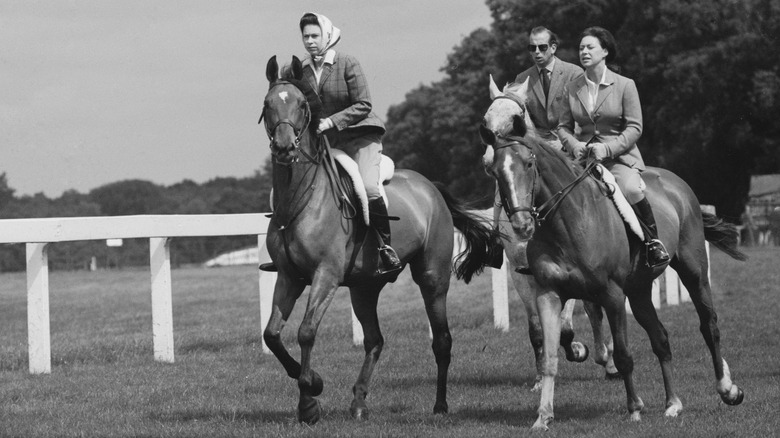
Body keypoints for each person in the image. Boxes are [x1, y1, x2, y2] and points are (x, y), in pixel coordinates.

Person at [262, 12, 401, 275]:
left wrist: (332, 121)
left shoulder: (347, 62)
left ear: (326, 35)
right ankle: (285, 253)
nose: (310, 41)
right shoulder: (299, 69)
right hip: (328, 142)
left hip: (361, 136)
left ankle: (385, 247)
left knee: (369, 187)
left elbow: (364, 104)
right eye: (306, 37)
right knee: (286, 188)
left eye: (315, 36)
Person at [556, 26, 670, 267]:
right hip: (583, 159)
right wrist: (575, 144)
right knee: (554, 189)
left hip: (619, 158)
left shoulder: (625, 85)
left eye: (590, 47)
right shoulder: (572, 88)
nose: (584, 52)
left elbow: (635, 128)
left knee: (631, 189)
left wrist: (606, 149)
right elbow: (563, 127)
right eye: (581, 48)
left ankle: (652, 243)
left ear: (605, 51)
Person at [514, 26, 584, 148]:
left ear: (553, 48)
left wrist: (565, 142)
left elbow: (581, 116)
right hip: (538, 147)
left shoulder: (574, 73)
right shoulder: (521, 79)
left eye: (542, 47)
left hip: (570, 143)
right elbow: (521, 121)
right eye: (532, 47)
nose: (536, 52)